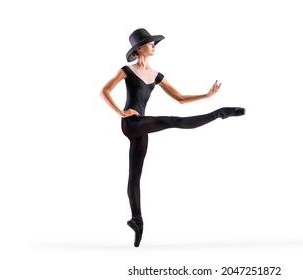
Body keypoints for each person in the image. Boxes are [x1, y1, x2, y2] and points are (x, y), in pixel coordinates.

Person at [100, 28, 245, 247]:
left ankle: (137, 220)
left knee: (135, 176)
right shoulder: (127, 70)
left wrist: (206, 95)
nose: (154, 46)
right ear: (139, 48)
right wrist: (121, 112)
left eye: (154, 43)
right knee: (171, 120)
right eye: (150, 43)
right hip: (131, 123)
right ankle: (220, 113)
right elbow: (104, 91)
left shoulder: (157, 75)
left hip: (143, 127)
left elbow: (180, 98)